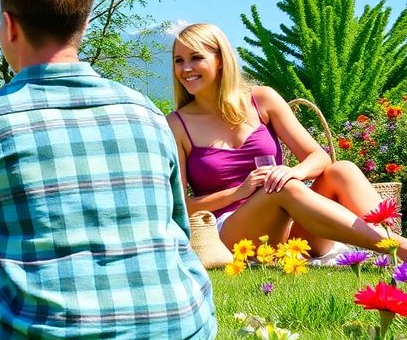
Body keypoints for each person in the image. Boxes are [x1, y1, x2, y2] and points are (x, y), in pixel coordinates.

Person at [0, 0, 215, 339]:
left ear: (8, 26)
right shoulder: (148, 113)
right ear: (83, 24)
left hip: (45, 330)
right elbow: (177, 233)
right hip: (181, 323)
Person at [167, 22, 407, 259]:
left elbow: (319, 157)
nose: (186, 68)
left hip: (292, 229)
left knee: (342, 170)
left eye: (195, 57)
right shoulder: (177, 124)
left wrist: (293, 172)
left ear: (220, 60)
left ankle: (394, 249)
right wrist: (238, 192)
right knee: (282, 190)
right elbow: (178, 206)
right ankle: (400, 249)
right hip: (231, 234)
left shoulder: (262, 99)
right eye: (179, 60)